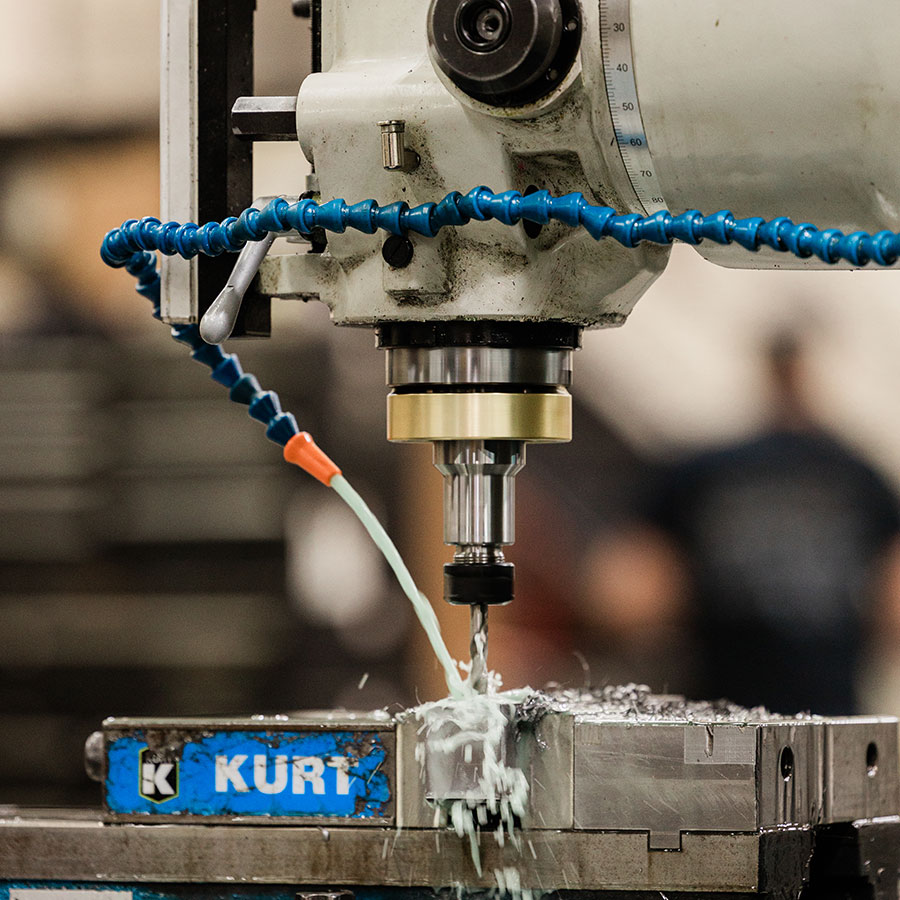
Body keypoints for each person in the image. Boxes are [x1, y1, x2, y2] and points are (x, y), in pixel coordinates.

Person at [587, 332, 900, 714]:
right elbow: (628, 590)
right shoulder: (856, 475)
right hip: (800, 703)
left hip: (734, 711)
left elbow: (623, 593)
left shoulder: (707, 470)